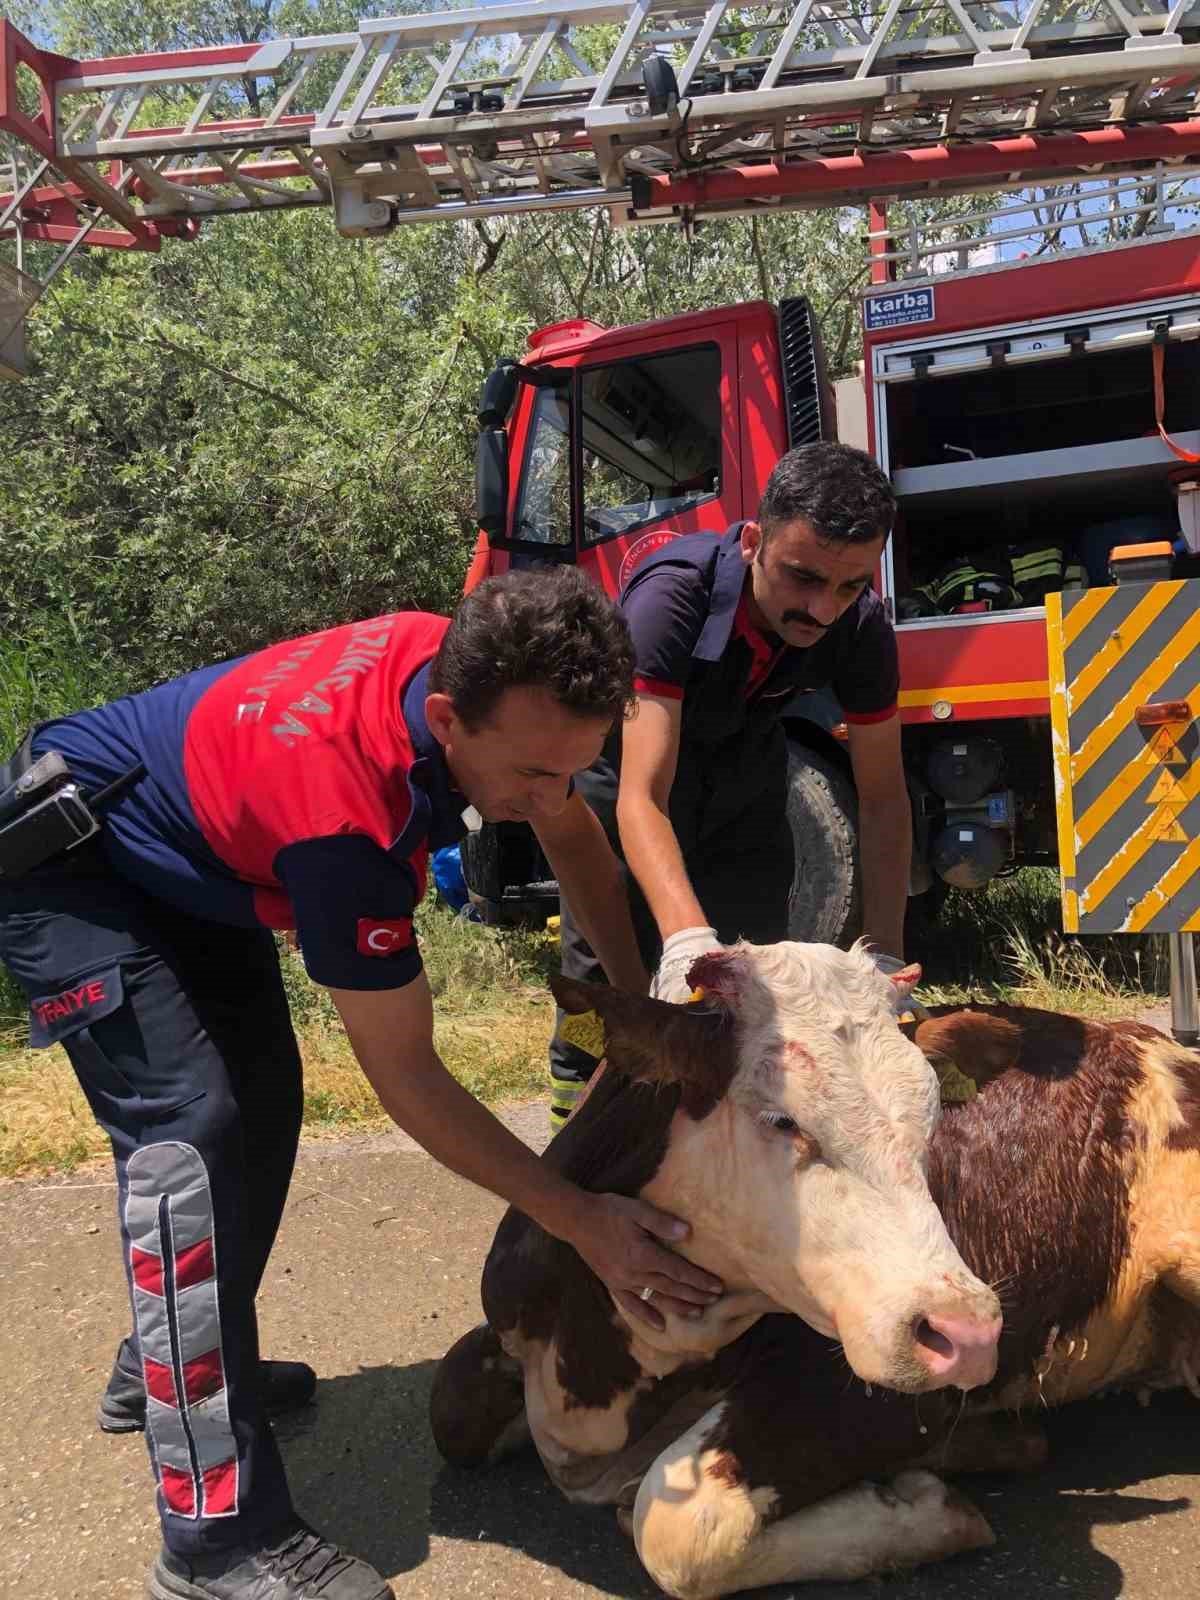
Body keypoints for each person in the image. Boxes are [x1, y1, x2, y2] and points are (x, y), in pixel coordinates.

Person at [0, 569, 722, 1600]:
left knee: (262, 1104)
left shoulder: (478, 659)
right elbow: (410, 1080)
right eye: (526, 771)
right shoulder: (346, 821)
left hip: (191, 857)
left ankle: (160, 1373)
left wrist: (624, 1004)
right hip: (70, 871)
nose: (544, 794)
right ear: (444, 720)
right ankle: (215, 1540)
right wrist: (578, 1217)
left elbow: (570, 830)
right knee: (188, 1136)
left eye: (575, 766)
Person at [550, 441, 911, 1128]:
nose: (822, 610)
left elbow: (884, 799)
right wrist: (685, 939)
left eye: (849, 586)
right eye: (802, 577)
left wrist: (886, 956)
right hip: (631, 775)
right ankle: (578, 1141)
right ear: (752, 542)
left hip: (743, 772)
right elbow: (642, 795)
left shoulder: (861, 628)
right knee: (609, 994)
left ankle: (727, 1160)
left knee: (752, 987)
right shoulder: (671, 597)